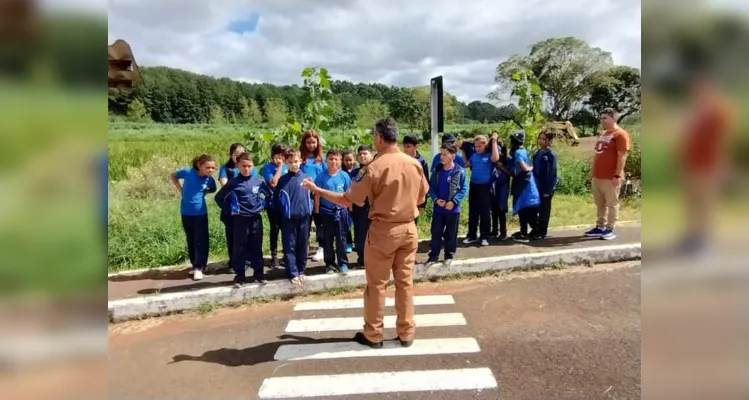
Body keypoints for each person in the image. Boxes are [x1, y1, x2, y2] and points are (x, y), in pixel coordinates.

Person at [302, 117, 429, 349]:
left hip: (384, 230)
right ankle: (406, 333)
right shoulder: (414, 164)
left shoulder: (373, 167)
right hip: (409, 228)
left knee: (376, 285)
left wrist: (317, 189)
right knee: (405, 283)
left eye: (374, 136)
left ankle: (374, 335)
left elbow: (349, 199)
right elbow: (421, 198)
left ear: (379, 139)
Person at [214, 153, 271, 286]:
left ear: (253, 166)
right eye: (243, 166)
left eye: (249, 166)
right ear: (238, 166)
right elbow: (219, 198)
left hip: (256, 219)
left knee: (256, 247)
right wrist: (232, 210)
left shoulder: (258, 181)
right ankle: (240, 276)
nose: (246, 169)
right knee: (239, 248)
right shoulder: (233, 183)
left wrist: (263, 205)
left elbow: (270, 195)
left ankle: (259, 274)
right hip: (240, 220)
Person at [169, 154, 217, 280]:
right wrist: (180, 190)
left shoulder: (209, 180)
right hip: (185, 212)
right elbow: (173, 175)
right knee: (191, 239)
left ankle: (199, 267)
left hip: (201, 213)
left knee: (201, 240)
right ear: (199, 165)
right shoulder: (187, 172)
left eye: (213, 168)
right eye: (208, 167)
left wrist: (204, 192)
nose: (211, 170)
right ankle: (195, 265)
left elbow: (213, 189)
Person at [585, 108, 630, 240]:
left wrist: (617, 175)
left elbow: (622, 156)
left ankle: (610, 228)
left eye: (605, 118)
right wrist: (592, 172)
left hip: (611, 177)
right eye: (601, 118)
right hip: (597, 176)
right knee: (600, 204)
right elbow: (597, 155)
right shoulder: (602, 134)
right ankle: (600, 227)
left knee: (612, 203)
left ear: (613, 118)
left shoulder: (620, 134)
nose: (602, 120)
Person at [273, 148, 314, 286]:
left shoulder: (306, 178)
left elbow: (312, 196)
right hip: (288, 219)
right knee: (289, 246)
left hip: (304, 219)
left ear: (301, 160)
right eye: (290, 162)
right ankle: (292, 272)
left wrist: (310, 209)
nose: (294, 164)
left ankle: (301, 271)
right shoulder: (283, 181)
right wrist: (284, 213)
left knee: (302, 245)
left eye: (296, 161)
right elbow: (276, 200)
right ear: (285, 162)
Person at [426, 143, 467, 266]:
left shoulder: (459, 171)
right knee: (436, 232)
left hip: (453, 210)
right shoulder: (437, 171)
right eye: (441, 154)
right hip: (439, 209)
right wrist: (436, 199)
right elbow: (431, 187)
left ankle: (449, 254)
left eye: (445, 154)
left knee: (451, 233)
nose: (441, 157)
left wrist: (454, 201)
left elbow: (464, 188)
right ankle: (433, 256)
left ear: (452, 156)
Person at [314, 149, 352, 274]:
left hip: (341, 212)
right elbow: (317, 194)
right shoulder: (321, 177)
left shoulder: (344, 176)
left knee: (341, 239)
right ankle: (329, 264)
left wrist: (350, 209)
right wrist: (317, 211)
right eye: (331, 159)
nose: (333, 161)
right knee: (327, 239)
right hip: (326, 212)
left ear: (340, 161)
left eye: (336, 159)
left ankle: (343, 263)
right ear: (326, 161)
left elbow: (349, 194)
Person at [218, 143, 256, 269]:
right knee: (233, 237)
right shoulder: (226, 169)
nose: (239, 156)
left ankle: (248, 260)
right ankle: (234, 262)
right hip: (232, 209)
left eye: (242, 153)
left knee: (249, 236)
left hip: (247, 209)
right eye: (236, 154)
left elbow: (253, 185)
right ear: (231, 155)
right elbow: (224, 188)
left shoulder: (250, 168)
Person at [463, 134, 500, 246]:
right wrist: (463, 151)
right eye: (476, 146)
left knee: (484, 212)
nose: (477, 148)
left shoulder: (489, 155)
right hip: (474, 185)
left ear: (485, 145)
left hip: (485, 186)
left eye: (480, 146)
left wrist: (493, 141)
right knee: (473, 212)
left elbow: (496, 158)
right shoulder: (474, 156)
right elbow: (466, 164)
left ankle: (484, 236)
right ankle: (472, 235)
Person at [509, 130, 541, 242]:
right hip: (528, 183)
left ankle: (524, 233)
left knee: (523, 207)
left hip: (523, 183)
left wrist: (529, 169)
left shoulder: (517, 153)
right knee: (529, 207)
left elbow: (524, 168)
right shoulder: (524, 150)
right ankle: (532, 230)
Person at [299, 130, 326, 261]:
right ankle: (304, 248)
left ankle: (322, 248)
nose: (311, 145)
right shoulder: (300, 159)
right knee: (305, 223)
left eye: (313, 142)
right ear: (304, 143)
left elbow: (326, 175)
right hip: (303, 195)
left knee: (320, 222)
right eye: (308, 142)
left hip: (318, 195)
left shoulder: (321, 159)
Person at [261, 143, 288, 268]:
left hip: (286, 204)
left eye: (283, 156)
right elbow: (273, 182)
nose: (280, 159)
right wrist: (280, 167)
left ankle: (286, 254)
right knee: (274, 229)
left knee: (286, 229)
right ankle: (274, 256)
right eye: (278, 156)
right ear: (273, 156)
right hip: (273, 204)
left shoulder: (288, 165)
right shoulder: (267, 167)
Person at [351, 145, 374, 268]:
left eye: (365, 153)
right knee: (360, 236)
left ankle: (375, 260)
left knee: (376, 236)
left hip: (375, 209)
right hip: (359, 210)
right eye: (360, 154)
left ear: (371, 155)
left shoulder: (376, 169)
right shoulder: (355, 173)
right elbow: (351, 189)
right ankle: (362, 260)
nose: (362, 156)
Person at [533, 131, 558, 239]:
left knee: (544, 210)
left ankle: (542, 232)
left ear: (549, 141)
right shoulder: (537, 153)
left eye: (544, 139)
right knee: (534, 209)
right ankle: (536, 229)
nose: (541, 141)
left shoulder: (551, 154)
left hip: (546, 187)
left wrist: (548, 190)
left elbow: (551, 173)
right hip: (536, 185)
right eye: (540, 138)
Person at [402, 133, 430, 218]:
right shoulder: (400, 159)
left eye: (408, 146)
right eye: (404, 146)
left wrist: (422, 204)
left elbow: (425, 184)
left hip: (415, 199)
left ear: (416, 146)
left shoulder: (421, 162)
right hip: (401, 197)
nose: (405, 149)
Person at [491, 140, 512, 241]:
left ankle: (503, 232)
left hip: (503, 187)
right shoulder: (492, 158)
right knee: (493, 209)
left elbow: (512, 173)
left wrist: (502, 167)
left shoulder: (507, 159)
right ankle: (494, 230)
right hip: (493, 186)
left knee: (501, 209)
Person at [341, 148, 357, 253]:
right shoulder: (341, 172)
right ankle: (348, 243)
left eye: (350, 160)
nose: (348, 162)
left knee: (358, 223)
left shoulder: (358, 171)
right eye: (346, 160)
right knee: (346, 223)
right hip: (346, 202)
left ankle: (358, 242)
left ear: (354, 160)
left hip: (357, 202)